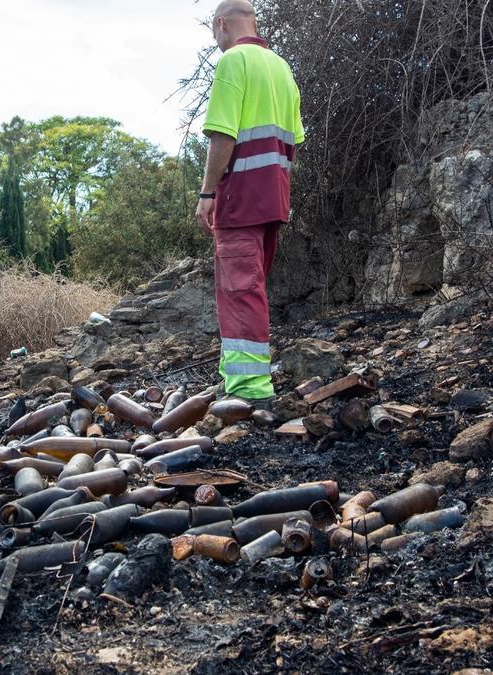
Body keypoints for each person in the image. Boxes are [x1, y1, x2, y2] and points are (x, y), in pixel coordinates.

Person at [196, 0, 304, 407]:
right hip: (274, 195)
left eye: (214, 34)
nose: (216, 41)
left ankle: (248, 390)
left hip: (239, 195)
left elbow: (222, 135)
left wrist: (208, 193)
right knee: (252, 286)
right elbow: (294, 140)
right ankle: (238, 378)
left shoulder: (233, 61)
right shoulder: (281, 67)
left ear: (221, 24)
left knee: (239, 289)